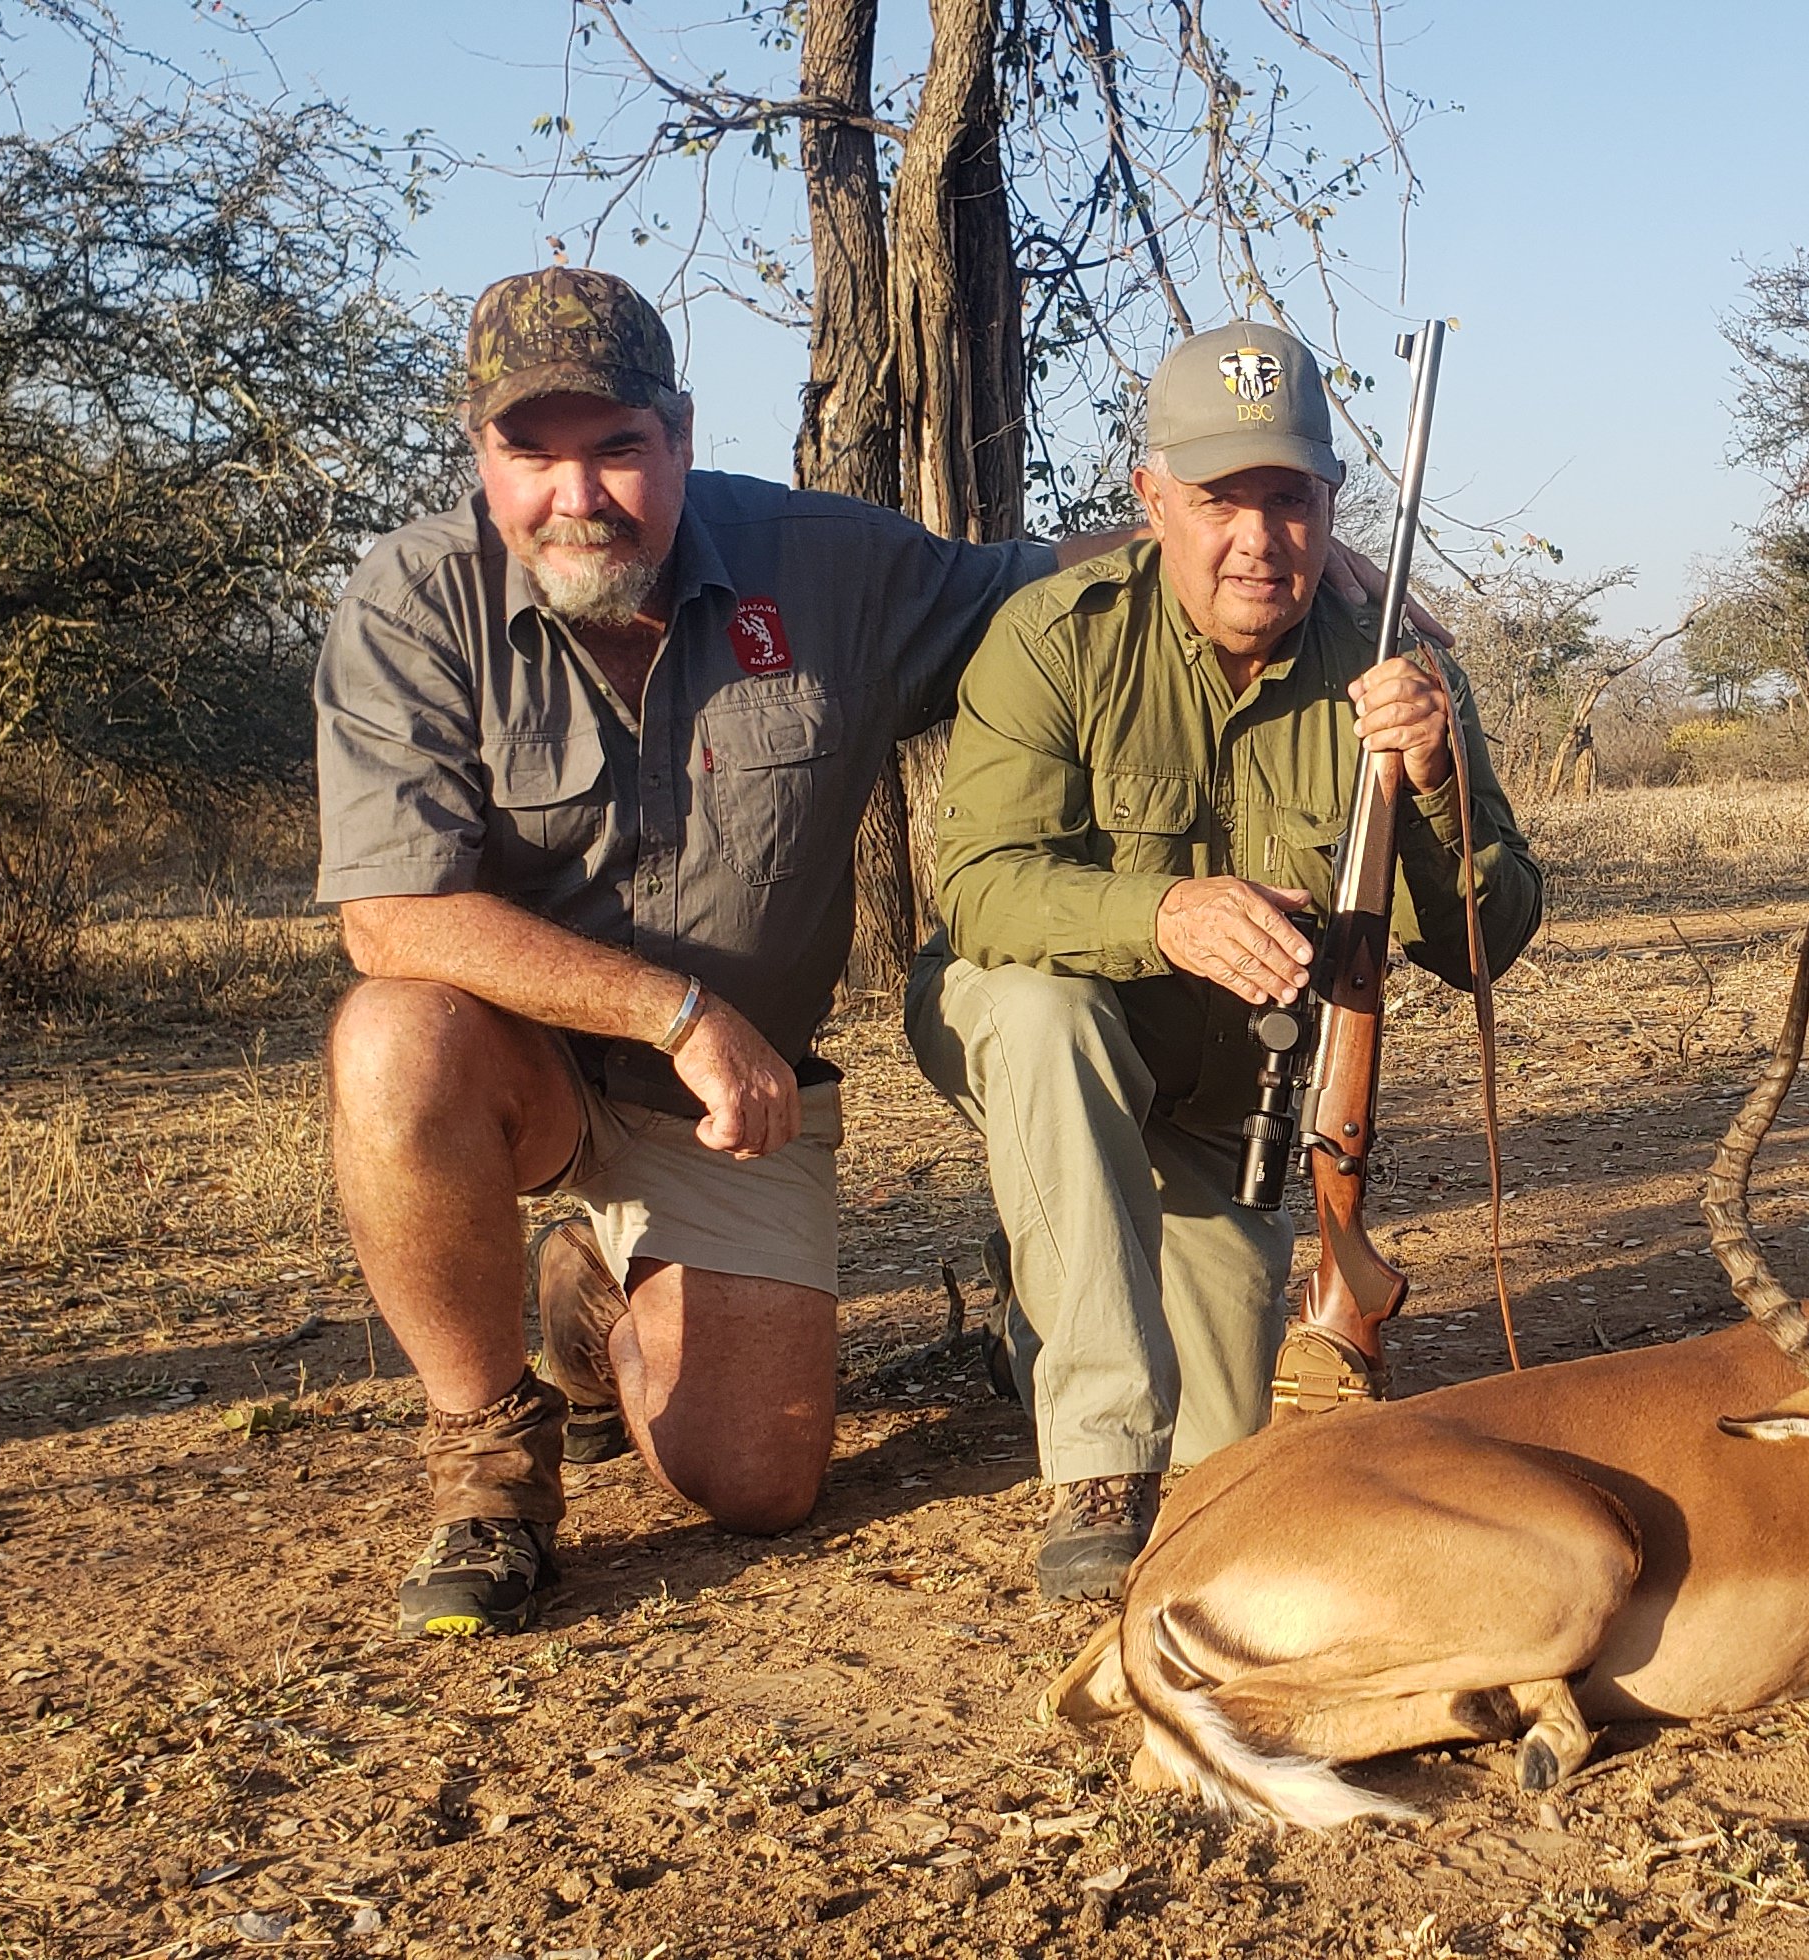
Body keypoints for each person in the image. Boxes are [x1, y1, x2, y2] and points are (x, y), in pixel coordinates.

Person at [317, 266, 1142, 1637]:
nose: (577, 495)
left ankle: (591, 1304)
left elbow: (1033, 584)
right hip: (529, 1069)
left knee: (759, 1482)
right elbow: (388, 918)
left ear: (682, 437)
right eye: (533, 454)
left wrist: (1227, 534)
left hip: (724, 1118)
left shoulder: (826, 562)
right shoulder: (412, 599)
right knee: (391, 1034)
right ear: (481, 452)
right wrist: (679, 1011)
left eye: (619, 450)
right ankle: (486, 1474)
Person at [907, 319, 1543, 1601]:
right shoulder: (1053, 636)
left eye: (1290, 499)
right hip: (1050, 1034)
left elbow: (1490, 938)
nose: (1259, 539)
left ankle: (1057, 1297)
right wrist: (1165, 915)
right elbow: (977, 887)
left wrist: (1436, 778)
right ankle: (1093, 1463)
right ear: (1151, 500)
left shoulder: (1402, 669)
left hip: (1230, 1105)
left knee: (1228, 1460)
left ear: (1329, 506)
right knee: (1045, 1013)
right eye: (1218, 499)